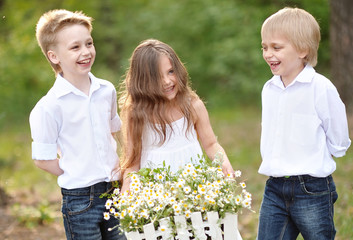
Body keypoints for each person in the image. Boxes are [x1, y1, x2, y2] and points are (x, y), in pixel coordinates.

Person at [29, 9, 126, 240]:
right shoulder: (49, 107)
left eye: (89, 43)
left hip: (114, 189)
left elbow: (115, 131)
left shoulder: (106, 90)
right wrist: (75, 171)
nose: (86, 52)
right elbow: (42, 159)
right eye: (75, 47)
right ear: (54, 56)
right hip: (80, 199)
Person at [257, 7, 351, 240]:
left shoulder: (320, 88)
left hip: (312, 190)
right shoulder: (269, 89)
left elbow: (338, 137)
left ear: (303, 50)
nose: (268, 53)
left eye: (276, 47)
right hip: (275, 188)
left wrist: (313, 158)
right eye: (264, 47)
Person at [118, 39, 235, 193]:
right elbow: (132, 162)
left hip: (193, 189)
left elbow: (211, 144)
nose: (167, 81)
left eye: (171, 72)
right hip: (156, 196)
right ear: (143, 81)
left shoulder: (192, 106)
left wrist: (223, 162)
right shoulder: (137, 114)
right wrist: (128, 190)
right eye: (158, 77)